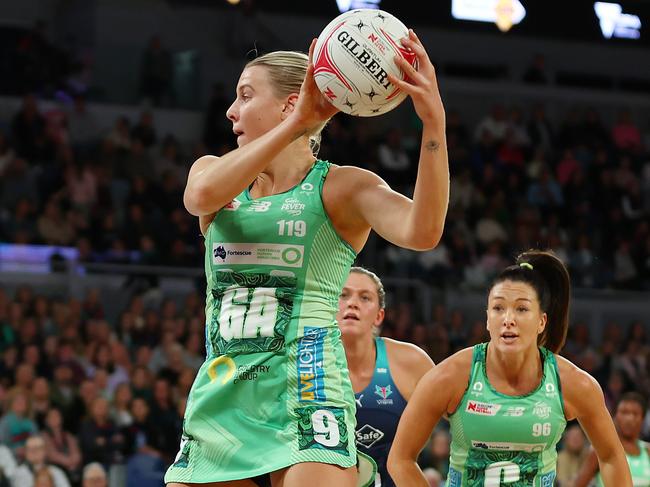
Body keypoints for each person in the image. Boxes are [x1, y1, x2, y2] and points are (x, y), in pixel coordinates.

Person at [165, 27, 449, 487]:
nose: (231, 111)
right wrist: (298, 123)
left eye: (245, 95)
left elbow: (423, 231)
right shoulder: (212, 172)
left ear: (288, 101)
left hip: (308, 386)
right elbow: (198, 197)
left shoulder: (342, 187)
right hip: (224, 389)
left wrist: (433, 125)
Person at [387, 250, 631, 486]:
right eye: (498, 308)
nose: (508, 319)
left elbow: (611, 457)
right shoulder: (450, 376)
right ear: (487, 318)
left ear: (541, 321)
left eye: (522, 309)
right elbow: (400, 459)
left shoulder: (573, 383)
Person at [337, 267, 434, 486]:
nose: (352, 303)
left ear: (379, 316)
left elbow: (461, 415)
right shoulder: (304, 362)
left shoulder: (411, 361)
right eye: (343, 295)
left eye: (365, 297)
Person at [574, 392, 650, 486]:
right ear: (614, 416)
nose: (629, 418)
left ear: (642, 418)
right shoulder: (600, 449)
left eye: (635, 414)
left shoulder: (648, 451)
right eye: (624, 412)